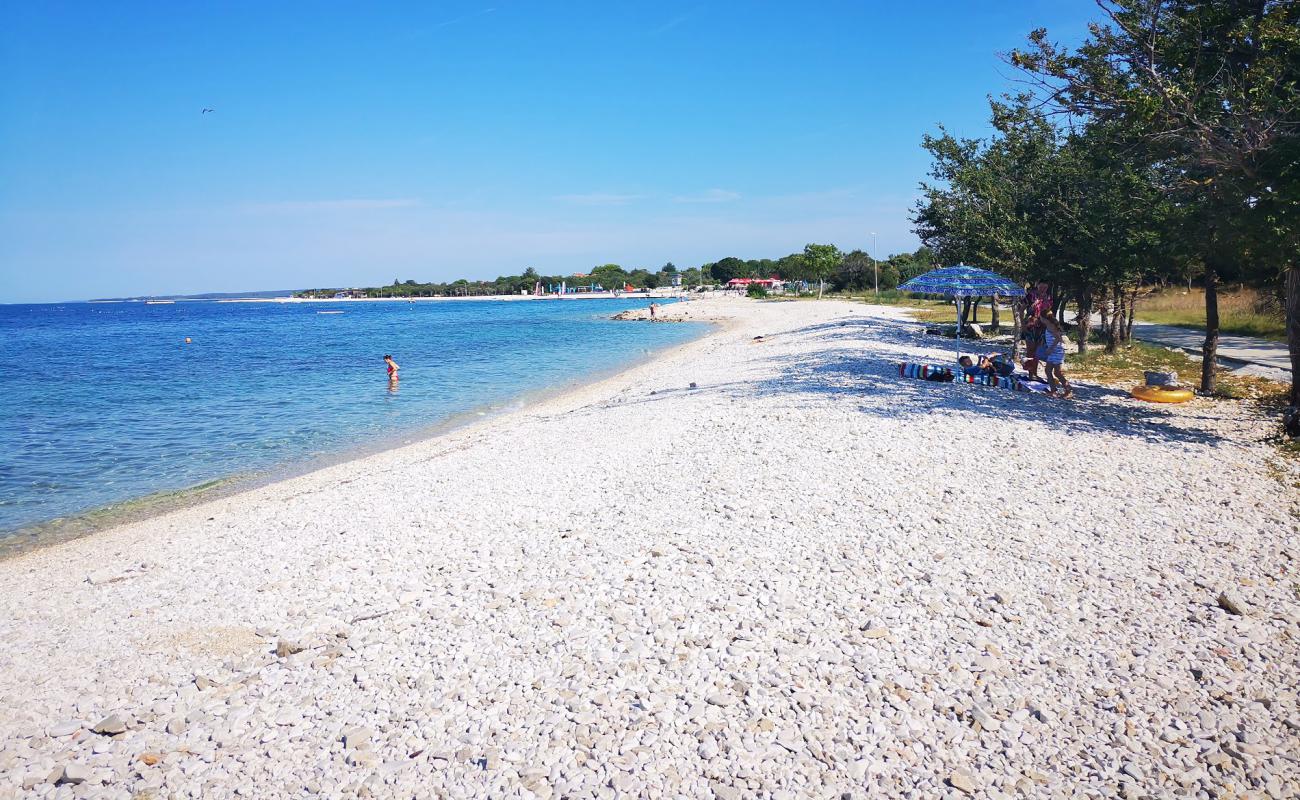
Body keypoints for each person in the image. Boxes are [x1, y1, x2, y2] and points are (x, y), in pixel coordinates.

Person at [1021, 281, 1053, 380]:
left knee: (1037, 351)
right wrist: (1022, 324)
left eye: (1045, 287)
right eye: (1041, 287)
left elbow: (1049, 311)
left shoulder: (1048, 297)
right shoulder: (1031, 296)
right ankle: (1031, 373)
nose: (1043, 289)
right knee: (1030, 350)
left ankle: (1034, 373)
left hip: (1042, 326)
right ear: (1037, 286)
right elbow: (1021, 309)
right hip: (1030, 325)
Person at [1037, 314, 1073, 398]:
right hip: (1053, 352)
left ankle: (1068, 390)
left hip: (1057, 352)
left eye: (1041, 317)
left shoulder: (1051, 326)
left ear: (1045, 318)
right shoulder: (1048, 326)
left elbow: (1058, 338)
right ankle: (1053, 390)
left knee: (1057, 373)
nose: (1040, 319)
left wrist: (1051, 349)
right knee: (1048, 371)